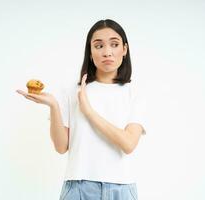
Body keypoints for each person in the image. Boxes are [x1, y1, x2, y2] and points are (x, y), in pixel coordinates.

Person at [17, 19, 148, 200]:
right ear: (90, 51)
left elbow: (128, 144)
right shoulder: (72, 90)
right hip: (77, 188)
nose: (107, 52)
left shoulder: (134, 93)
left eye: (114, 44)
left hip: (121, 188)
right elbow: (61, 147)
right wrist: (54, 106)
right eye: (99, 45)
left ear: (124, 50)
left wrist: (88, 112)